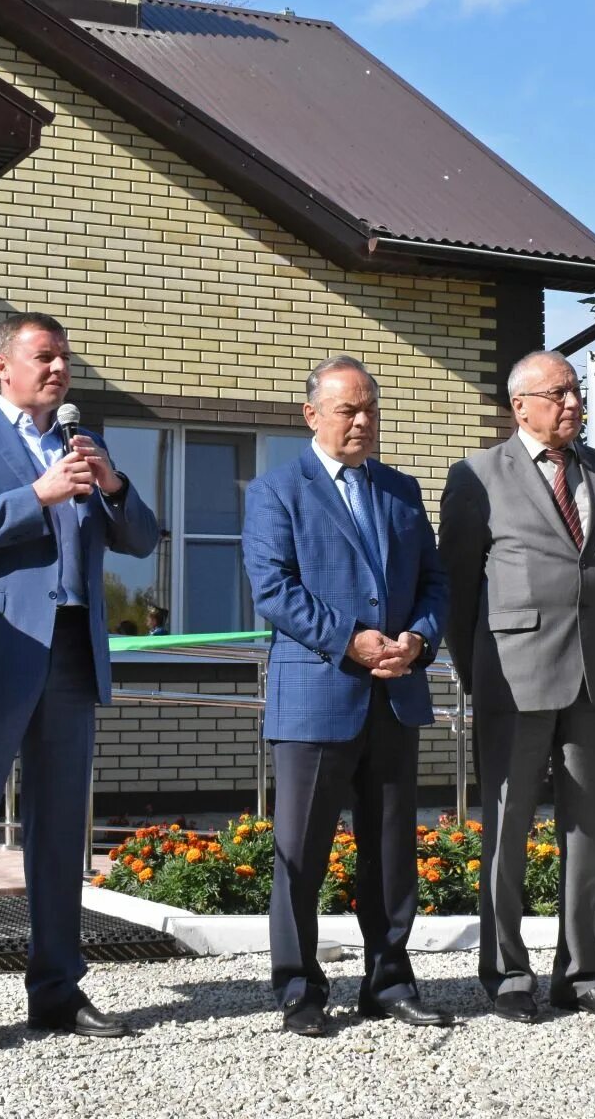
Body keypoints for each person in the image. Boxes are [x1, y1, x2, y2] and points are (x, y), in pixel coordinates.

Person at [0, 312, 159, 1048]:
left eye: (64, 359)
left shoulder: (84, 445)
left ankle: (57, 990)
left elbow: (144, 540)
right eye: (43, 357)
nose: (58, 369)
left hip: (70, 657)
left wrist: (112, 485)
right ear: (3, 366)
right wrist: (39, 496)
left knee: (59, 834)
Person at [240, 355, 452, 1037]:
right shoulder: (277, 490)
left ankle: (389, 980)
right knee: (301, 853)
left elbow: (435, 582)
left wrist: (418, 638)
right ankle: (299, 988)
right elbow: (274, 589)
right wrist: (352, 638)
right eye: (347, 410)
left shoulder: (399, 489)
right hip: (317, 696)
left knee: (391, 850)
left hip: (395, 695)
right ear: (311, 416)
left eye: (370, 410)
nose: (362, 421)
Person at [440, 351, 595, 1025]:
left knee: (588, 827)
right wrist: (477, 674)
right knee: (509, 826)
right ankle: (507, 974)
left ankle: (582, 974)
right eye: (557, 394)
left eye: (576, 392)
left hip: (592, 674)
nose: (572, 403)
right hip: (512, 674)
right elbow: (458, 589)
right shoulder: (476, 475)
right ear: (519, 404)